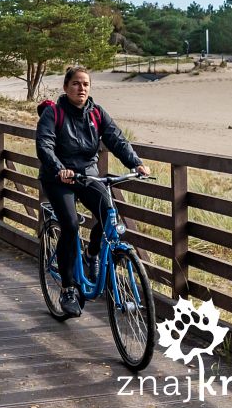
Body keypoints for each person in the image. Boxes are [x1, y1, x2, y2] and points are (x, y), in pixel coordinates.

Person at [35, 66, 149, 318]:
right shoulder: (53, 114)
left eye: (86, 84)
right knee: (71, 225)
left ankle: (91, 253)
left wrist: (135, 163)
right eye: (76, 83)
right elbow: (44, 145)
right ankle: (68, 288)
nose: (81, 88)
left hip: (87, 173)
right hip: (58, 177)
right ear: (66, 87)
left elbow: (116, 138)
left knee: (109, 213)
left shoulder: (96, 113)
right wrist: (59, 168)